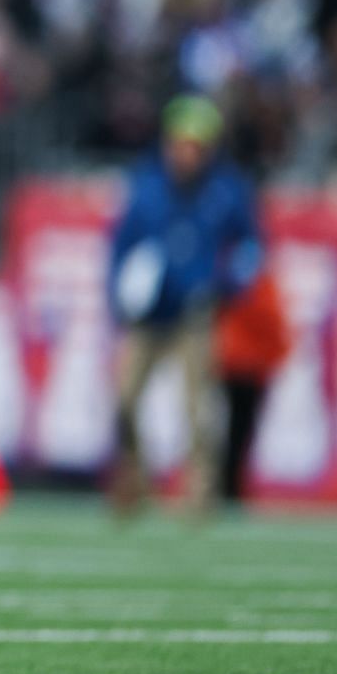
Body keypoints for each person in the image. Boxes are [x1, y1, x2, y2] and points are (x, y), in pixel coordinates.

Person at [108, 95, 263, 516]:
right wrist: (119, 298)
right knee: (124, 399)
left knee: (197, 410)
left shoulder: (228, 191)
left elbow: (250, 250)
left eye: (194, 145)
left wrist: (226, 286)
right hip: (148, 315)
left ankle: (199, 496)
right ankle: (133, 480)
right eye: (180, 143)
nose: (185, 153)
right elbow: (120, 248)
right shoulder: (146, 185)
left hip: (195, 314)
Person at [212, 268, 289, 504]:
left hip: (243, 366)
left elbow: (273, 324)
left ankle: (229, 487)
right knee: (235, 432)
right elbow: (272, 323)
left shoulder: (251, 281)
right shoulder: (251, 281)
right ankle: (228, 488)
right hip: (240, 366)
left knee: (237, 432)